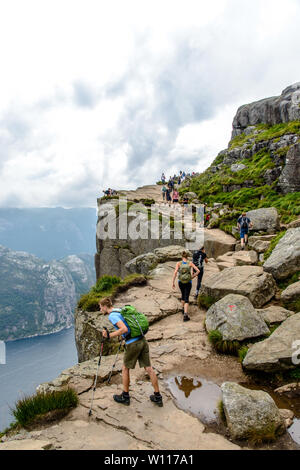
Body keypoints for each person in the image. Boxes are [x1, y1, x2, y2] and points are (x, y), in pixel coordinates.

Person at [99, 297, 163, 407]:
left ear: (105, 306)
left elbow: (124, 329)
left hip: (133, 344)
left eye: (100, 307)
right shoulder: (119, 310)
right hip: (142, 340)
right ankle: (158, 397)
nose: (100, 310)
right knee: (149, 368)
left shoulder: (112, 315)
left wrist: (109, 335)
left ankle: (125, 396)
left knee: (125, 368)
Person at [172, 252, 200, 322]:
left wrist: (173, 282)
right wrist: (192, 277)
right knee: (187, 297)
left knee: (183, 295)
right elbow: (198, 271)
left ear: (182, 257)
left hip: (180, 282)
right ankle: (185, 315)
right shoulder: (190, 263)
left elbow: (175, 272)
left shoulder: (179, 263)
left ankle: (182, 308)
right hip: (188, 282)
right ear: (187, 257)